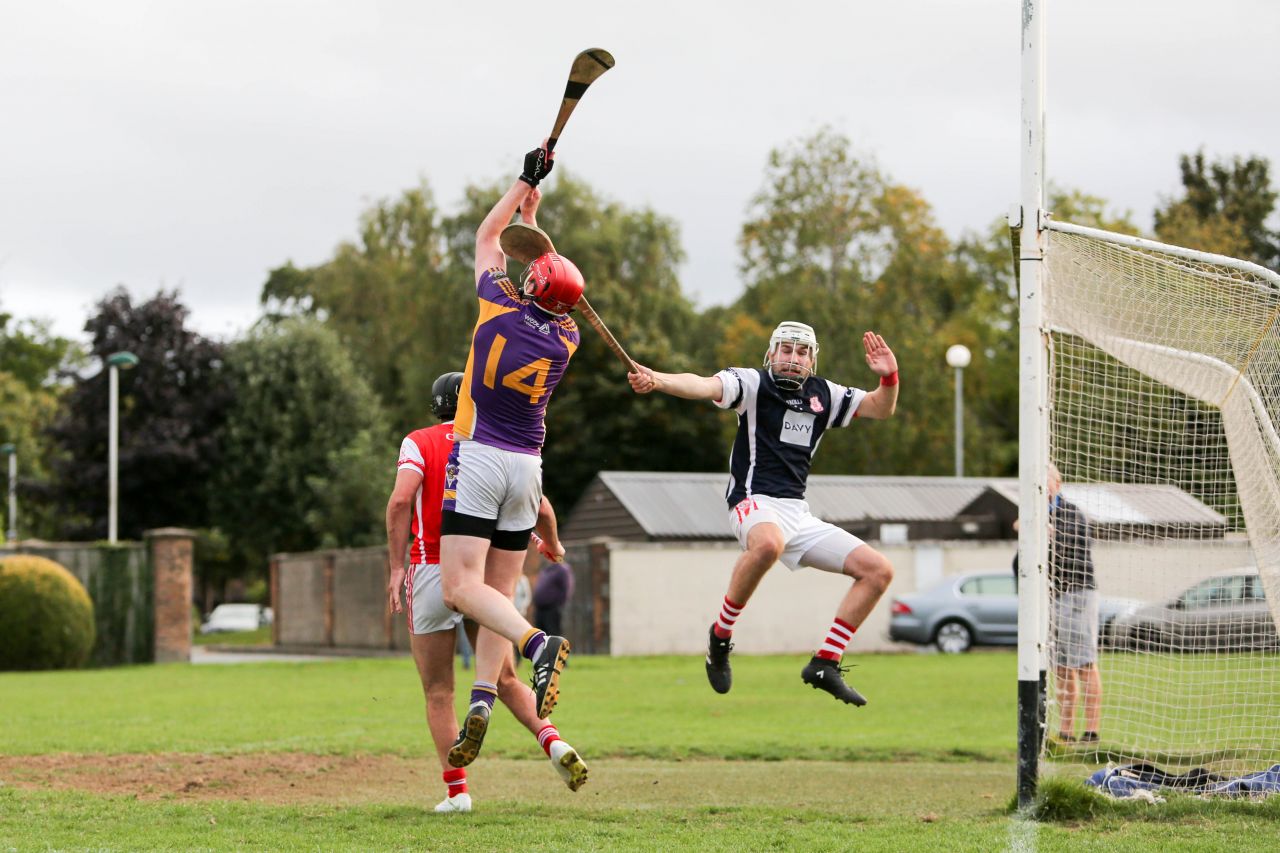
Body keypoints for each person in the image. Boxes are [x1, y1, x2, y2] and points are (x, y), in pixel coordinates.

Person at [628, 323, 898, 706]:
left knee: (878, 571)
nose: (793, 357)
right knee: (769, 544)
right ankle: (720, 637)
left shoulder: (825, 394)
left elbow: (881, 408)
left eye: (801, 352)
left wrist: (889, 375)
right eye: (785, 349)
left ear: (812, 359)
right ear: (770, 354)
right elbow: (703, 385)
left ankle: (825, 662)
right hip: (752, 501)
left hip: (797, 513)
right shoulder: (753, 383)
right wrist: (658, 379)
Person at [438, 142, 584, 768]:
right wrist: (536, 217)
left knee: (457, 588)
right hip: (529, 468)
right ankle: (482, 697)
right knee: (498, 589)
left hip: (480, 457)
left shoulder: (496, 305)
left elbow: (489, 235)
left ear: (528, 287)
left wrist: (524, 183)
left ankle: (535, 641)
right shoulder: (570, 338)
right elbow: (536, 266)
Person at [386, 371, 588, 814]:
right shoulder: (492, 441)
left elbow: (401, 501)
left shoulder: (418, 442)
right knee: (507, 678)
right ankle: (553, 743)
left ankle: (457, 793)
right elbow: (541, 504)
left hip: (430, 571)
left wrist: (396, 565)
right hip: (484, 578)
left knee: (439, 691)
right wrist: (552, 542)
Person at [1045, 463, 1103, 744]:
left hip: (1077, 594)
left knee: (1084, 663)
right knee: (1061, 666)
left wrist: (1044, 532)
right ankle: (1065, 731)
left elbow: (1063, 548)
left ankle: (1091, 731)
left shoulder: (1070, 513)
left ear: (1058, 483)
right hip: (1053, 597)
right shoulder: (1035, 515)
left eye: (1047, 480)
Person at [533, 560, 575, 637]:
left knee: (552, 634)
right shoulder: (547, 569)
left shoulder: (562, 569)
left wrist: (559, 604)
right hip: (540, 609)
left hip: (552, 609)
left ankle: (555, 649)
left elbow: (567, 588)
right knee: (540, 636)